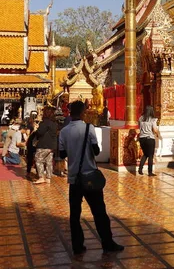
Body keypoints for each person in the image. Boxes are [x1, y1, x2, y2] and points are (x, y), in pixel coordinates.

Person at [59, 100, 124, 256]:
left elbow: (62, 155)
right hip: (89, 176)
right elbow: (96, 151)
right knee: (99, 212)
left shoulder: (64, 131)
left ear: (70, 113)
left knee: (75, 215)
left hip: (74, 179)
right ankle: (107, 242)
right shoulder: (89, 128)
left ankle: (77, 246)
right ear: (83, 113)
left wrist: (73, 149)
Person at [34, 106, 57, 184]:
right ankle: (48, 177)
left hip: (44, 144)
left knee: (38, 159)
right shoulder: (54, 123)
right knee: (48, 161)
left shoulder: (45, 122)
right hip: (52, 145)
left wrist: (36, 129)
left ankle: (41, 177)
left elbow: (40, 132)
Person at [138, 105, 159, 176]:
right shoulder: (153, 119)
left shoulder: (141, 118)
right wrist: (158, 134)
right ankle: (150, 172)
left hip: (142, 138)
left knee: (145, 154)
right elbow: (155, 129)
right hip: (149, 138)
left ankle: (140, 169)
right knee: (150, 156)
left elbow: (139, 128)